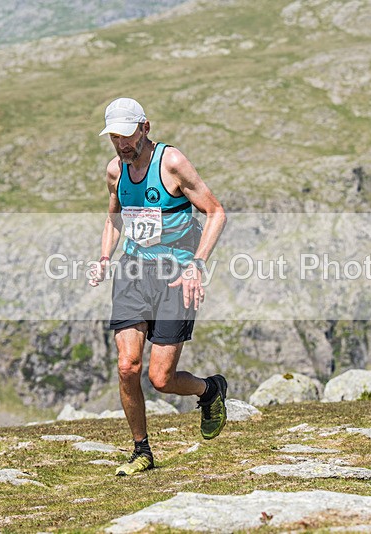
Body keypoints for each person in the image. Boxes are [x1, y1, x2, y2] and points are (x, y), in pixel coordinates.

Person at [90, 97, 228, 475]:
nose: (122, 144)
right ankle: (141, 451)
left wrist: (197, 265)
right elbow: (113, 219)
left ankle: (208, 389)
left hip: (176, 275)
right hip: (133, 273)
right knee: (127, 365)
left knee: (161, 378)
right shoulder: (115, 171)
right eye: (114, 137)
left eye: (128, 135)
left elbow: (216, 212)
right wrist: (104, 258)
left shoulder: (172, 163)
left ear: (145, 127)